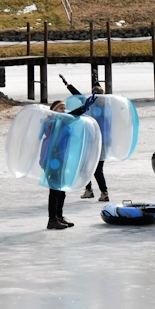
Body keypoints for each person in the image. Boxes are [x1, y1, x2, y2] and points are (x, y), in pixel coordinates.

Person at [43, 96, 96, 230]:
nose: (64, 110)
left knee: (62, 189)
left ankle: (59, 216)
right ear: (54, 110)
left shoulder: (62, 122)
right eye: (61, 108)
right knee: (55, 189)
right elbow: (68, 118)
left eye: (65, 107)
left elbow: (70, 120)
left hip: (61, 159)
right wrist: (82, 109)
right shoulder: (52, 122)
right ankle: (52, 219)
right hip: (52, 160)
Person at [60, 75, 109, 202]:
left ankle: (92, 191)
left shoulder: (91, 105)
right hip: (103, 143)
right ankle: (100, 192)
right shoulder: (107, 107)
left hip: (92, 142)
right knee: (96, 169)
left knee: (87, 167)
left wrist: (67, 84)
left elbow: (78, 95)